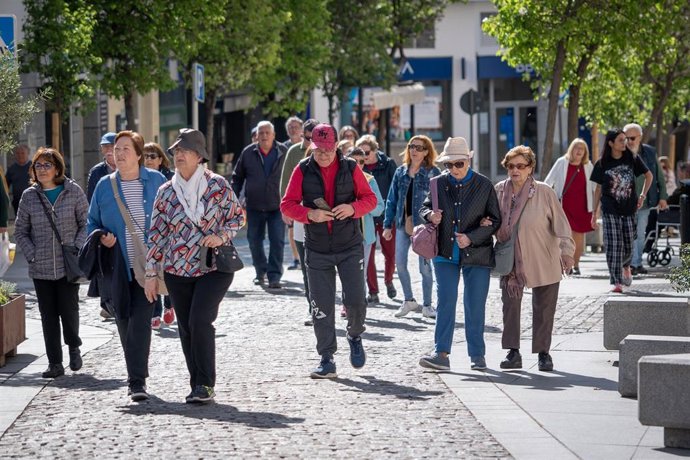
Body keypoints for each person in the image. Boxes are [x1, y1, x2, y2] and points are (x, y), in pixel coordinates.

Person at [146, 128, 244, 404]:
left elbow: (237, 218)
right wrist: (152, 273)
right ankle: (197, 384)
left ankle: (205, 383)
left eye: (184, 151)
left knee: (200, 320)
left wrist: (221, 236)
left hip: (213, 267)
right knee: (186, 327)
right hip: (177, 270)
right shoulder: (166, 192)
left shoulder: (218, 186)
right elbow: (156, 234)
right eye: (176, 151)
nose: (178, 155)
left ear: (199, 156)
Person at [281, 123, 377, 379]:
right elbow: (287, 204)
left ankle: (355, 334)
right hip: (317, 247)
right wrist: (309, 214)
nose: (322, 154)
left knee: (356, 299)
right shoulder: (303, 170)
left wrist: (352, 209)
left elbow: (371, 200)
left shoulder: (351, 168)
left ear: (336, 146)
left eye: (327, 149)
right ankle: (326, 358)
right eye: (318, 149)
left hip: (349, 245)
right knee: (321, 305)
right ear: (312, 146)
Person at [87, 131, 167, 401]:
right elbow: (91, 223)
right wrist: (102, 237)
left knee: (141, 322)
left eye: (124, 149)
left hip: (149, 267)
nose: (118, 154)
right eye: (115, 149)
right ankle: (136, 376)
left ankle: (137, 381)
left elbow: (169, 219)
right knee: (123, 320)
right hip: (117, 267)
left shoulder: (157, 181)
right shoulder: (103, 186)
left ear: (138, 154)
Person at [417, 137, 500, 371]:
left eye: (459, 164)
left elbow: (495, 220)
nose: (454, 169)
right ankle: (441, 353)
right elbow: (424, 207)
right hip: (444, 252)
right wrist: (429, 216)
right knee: (445, 302)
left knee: (474, 304)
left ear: (468, 161)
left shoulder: (484, 185)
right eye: (449, 165)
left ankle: (477, 356)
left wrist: (472, 237)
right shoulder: (437, 183)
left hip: (477, 253)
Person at [494, 145, 575, 372]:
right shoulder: (499, 190)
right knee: (510, 306)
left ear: (530, 168)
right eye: (510, 166)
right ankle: (513, 352)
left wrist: (567, 252)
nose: (515, 170)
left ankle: (543, 353)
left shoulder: (544, 192)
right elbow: (491, 219)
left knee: (544, 307)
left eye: (520, 166)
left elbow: (562, 224)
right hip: (511, 260)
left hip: (543, 257)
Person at [14, 147, 88, 378]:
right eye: (38, 165)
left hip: (68, 265)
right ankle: (55, 363)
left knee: (69, 311)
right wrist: (32, 254)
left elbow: (86, 223)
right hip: (41, 267)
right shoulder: (29, 196)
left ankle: (74, 346)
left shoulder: (73, 191)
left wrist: (76, 245)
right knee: (48, 316)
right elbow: (20, 231)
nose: (42, 169)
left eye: (47, 165)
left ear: (57, 168)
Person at [382, 135, 441, 318]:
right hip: (402, 225)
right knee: (400, 263)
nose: (414, 150)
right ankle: (408, 300)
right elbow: (392, 200)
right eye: (411, 146)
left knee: (425, 268)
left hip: (424, 228)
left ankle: (427, 305)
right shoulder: (400, 172)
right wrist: (387, 225)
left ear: (426, 152)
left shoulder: (433, 172)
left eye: (419, 147)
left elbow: (439, 201)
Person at [590, 129, 653, 293]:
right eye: (620, 140)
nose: (625, 143)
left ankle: (626, 265)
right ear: (611, 143)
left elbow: (649, 176)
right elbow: (598, 189)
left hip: (629, 209)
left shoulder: (632, 158)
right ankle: (616, 281)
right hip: (609, 209)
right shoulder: (602, 163)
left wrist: (642, 196)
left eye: (625, 140)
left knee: (627, 244)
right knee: (613, 244)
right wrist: (594, 212)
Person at [231, 121, 287, 289]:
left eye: (267, 133)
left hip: (278, 206)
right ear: (257, 135)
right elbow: (237, 177)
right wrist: (233, 198)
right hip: (254, 205)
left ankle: (274, 275)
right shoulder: (248, 153)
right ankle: (260, 272)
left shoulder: (283, 152)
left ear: (273, 135)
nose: (263, 136)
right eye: (260, 133)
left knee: (277, 241)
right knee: (254, 241)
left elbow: (293, 177)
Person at [280, 119, 319, 326]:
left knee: (322, 268)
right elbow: (285, 182)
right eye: (307, 137)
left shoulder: (331, 154)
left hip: (325, 223)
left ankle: (326, 305)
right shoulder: (295, 153)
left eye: (314, 138)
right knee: (306, 266)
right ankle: (313, 307)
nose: (310, 142)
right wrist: (285, 208)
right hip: (302, 219)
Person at [343, 147, 385, 318]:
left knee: (360, 270)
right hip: (343, 233)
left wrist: (363, 206)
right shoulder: (341, 179)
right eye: (354, 161)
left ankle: (357, 305)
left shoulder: (370, 180)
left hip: (364, 235)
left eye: (362, 161)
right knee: (345, 271)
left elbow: (380, 208)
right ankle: (347, 303)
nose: (359, 165)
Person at [544, 138, 595, 275]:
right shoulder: (562, 162)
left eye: (582, 149)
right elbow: (548, 181)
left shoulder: (588, 166)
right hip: (564, 206)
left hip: (583, 207)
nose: (579, 151)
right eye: (576, 148)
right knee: (565, 236)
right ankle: (564, 263)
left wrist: (597, 209)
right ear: (571, 149)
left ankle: (575, 265)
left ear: (585, 152)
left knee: (578, 237)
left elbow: (595, 188)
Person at [624, 123, 668, 275]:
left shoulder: (649, 152)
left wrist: (663, 197)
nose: (629, 141)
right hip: (625, 202)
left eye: (632, 138)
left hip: (644, 202)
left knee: (641, 232)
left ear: (640, 137)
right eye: (626, 137)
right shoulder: (619, 152)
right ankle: (632, 264)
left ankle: (636, 263)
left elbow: (658, 176)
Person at [358, 135, 398, 303]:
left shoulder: (388, 164)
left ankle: (388, 281)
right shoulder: (358, 168)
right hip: (367, 217)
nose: (364, 157)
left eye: (366, 152)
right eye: (361, 153)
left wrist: (393, 212)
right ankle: (373, 291)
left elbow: (395, 190)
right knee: (369, 255)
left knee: (390, 253)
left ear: (375, 151)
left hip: (386, 215)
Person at [143, 142, 175, 329]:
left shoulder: (170, 178)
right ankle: (155, 312)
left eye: (152, 156)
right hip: (148, 232)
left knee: (168, 269)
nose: (148, 159)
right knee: (152, 270)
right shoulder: (140, 178)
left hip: (169, 231)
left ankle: (170, 305)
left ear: (161, 159)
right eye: (145, 156)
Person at [87, 132, 117, 321]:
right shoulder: (97, 172)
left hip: (122, 225)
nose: (107, 150)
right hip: (104, 226)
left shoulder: (129, 169)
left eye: (110, 146)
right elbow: (91, 199)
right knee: (103, 267)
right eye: (104, 147)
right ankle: (106, 304)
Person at [282, 117, 304, 270]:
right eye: (290, 127)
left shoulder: (310, 146)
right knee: (292, 228)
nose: (293, 129)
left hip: (306, 193)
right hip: (292, 193)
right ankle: (296, 258)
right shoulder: (283, 148)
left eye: (296, 127)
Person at [87, 132, 117, 202]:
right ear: (101, 149)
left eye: (112, 145)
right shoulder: (95, 172)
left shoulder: (127, 168)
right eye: (105, 146)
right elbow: (91, 199)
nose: (109, 149)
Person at [6, 144, 32, 215]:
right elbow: (5, 186)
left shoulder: (33, 167)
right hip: (18, 202)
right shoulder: (12, 169)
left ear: (28, 153)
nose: (20, 155)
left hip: (32, 202)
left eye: (23, 153)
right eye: (18, 153)